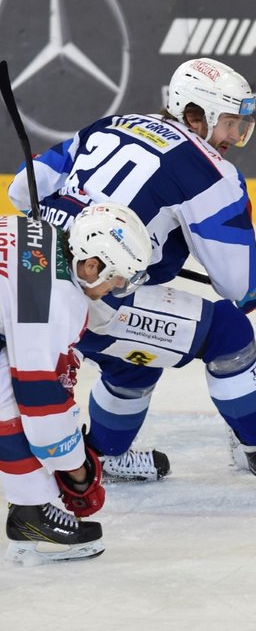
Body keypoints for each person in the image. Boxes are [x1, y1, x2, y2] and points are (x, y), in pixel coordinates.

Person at [8, 58, 256, 492]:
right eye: (228, 124)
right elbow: (238, 283)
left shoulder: (116, 123)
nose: (234, 139)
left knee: (137, 357)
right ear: (193, 115)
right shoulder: (210, 171)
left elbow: (21, 189)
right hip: (92, 293)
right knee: (226, 332)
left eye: (241, 126)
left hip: (29, 270)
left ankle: (104, 455)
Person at [2, 203, 151, 562]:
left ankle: (28, 508)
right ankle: (30, 515)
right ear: (90, 265)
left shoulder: (46, 235)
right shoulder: (54, 301)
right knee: (9, 404)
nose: (118, 287)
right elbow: (42, 405)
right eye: (117, 277)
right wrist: (77, 470)